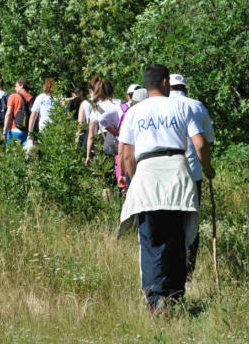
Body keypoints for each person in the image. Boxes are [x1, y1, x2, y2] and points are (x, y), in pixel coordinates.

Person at [118, 64, 215, 315]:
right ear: (164, 83)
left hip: (147, 171)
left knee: (150, 240)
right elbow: (200, 143)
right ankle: (174, 295)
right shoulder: (180, 107)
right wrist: (207, 168)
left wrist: (135, 180)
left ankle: (155, 299)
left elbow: (127, 155)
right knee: (176, 237)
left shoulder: (134, 112)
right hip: (177, 173)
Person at [169, 73, 215, 279]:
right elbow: (207, 142)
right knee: (191, 223)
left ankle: (169, 270)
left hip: (165, 174)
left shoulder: (159, 105)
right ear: (185, 88)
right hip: (193, 174)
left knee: (169, 222)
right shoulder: (196, 106)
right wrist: (207, 168)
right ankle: (188, 273)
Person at [97, 88, 149, 188]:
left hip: (132, 166)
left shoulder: (127, 116)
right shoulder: (155, 116)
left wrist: (122, 173)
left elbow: (122, 152)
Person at [85, 78, 122, 166]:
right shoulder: (122, 103)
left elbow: (91, 135)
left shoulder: (97, 108)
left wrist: (88, 156)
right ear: (111, 89)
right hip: (122, 138)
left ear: (97, 91)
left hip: (104, 141)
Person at [3, 78, 34, 145]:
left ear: (21, 86)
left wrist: (5, 131)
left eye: (16, 86)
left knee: (11, 153)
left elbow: (8, 113)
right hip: (27, 132)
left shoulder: (13, 96)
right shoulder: (32, 98)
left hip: (14, 130)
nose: (15, 88)